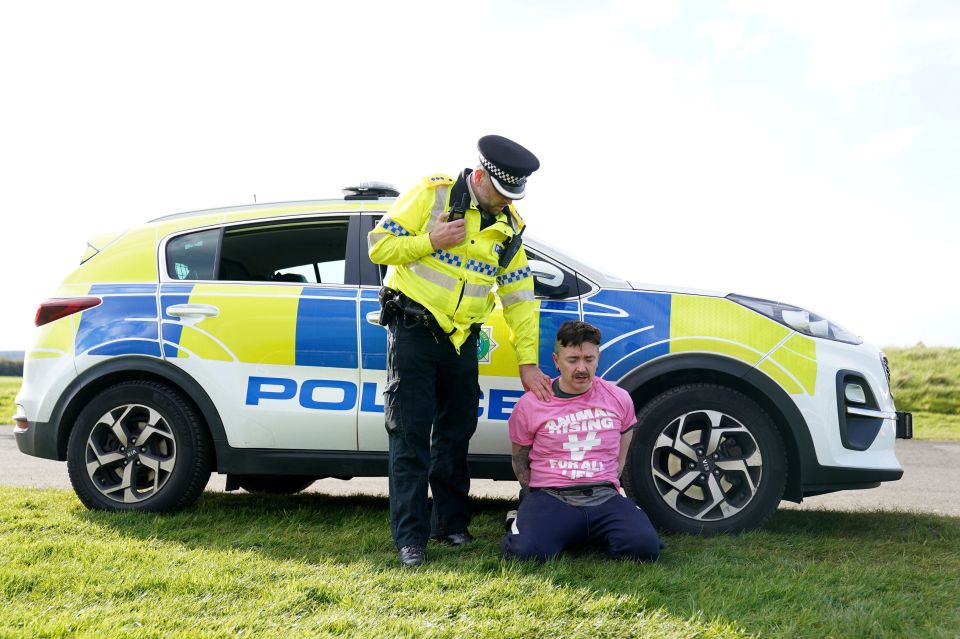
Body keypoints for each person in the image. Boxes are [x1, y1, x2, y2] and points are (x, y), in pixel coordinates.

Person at [368, 135, 552, 567]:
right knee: (410, 436)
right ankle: (410, 539)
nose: (505, 204)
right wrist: (430, 241)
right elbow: (378, 245)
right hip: (413, 327)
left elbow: (520, 298)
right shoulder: (433, 192)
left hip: (462, 339)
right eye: (500, 195)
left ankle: (451, 525)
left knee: (455, 434)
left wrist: (527, 361)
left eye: (512, 197)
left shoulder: (509, 225)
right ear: (481, 177)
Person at [502, 320, 662, 562]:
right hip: (552, 495)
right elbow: (520, 460)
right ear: (557, 361)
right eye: (573, 360)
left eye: (589, 359)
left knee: (644, 548)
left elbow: (621, 453)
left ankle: (591, 529)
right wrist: (532, 497)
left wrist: (607, 480)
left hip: (604, 495)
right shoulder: (531, 404)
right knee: (525, 553)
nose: (582, 368)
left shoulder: (619, 398)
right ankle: (525, 518)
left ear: (598, 357)